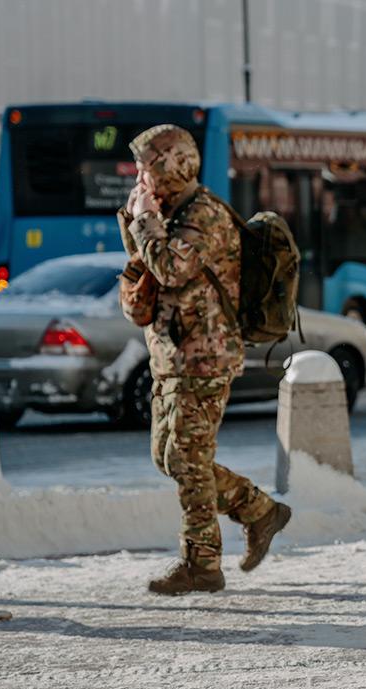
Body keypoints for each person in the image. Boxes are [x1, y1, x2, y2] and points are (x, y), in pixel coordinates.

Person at [119, 124, 292, 595]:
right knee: (168, 457)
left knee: (189, 460)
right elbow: (145, 268)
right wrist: (138, 218)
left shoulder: (204, 215)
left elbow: (172, 269)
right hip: (172, 357)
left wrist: (143, 220)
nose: (138, 176)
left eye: (145, 167)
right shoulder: (170, 213)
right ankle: (258, 509)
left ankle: (202, 564)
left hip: (204, 358)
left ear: (172, 166)